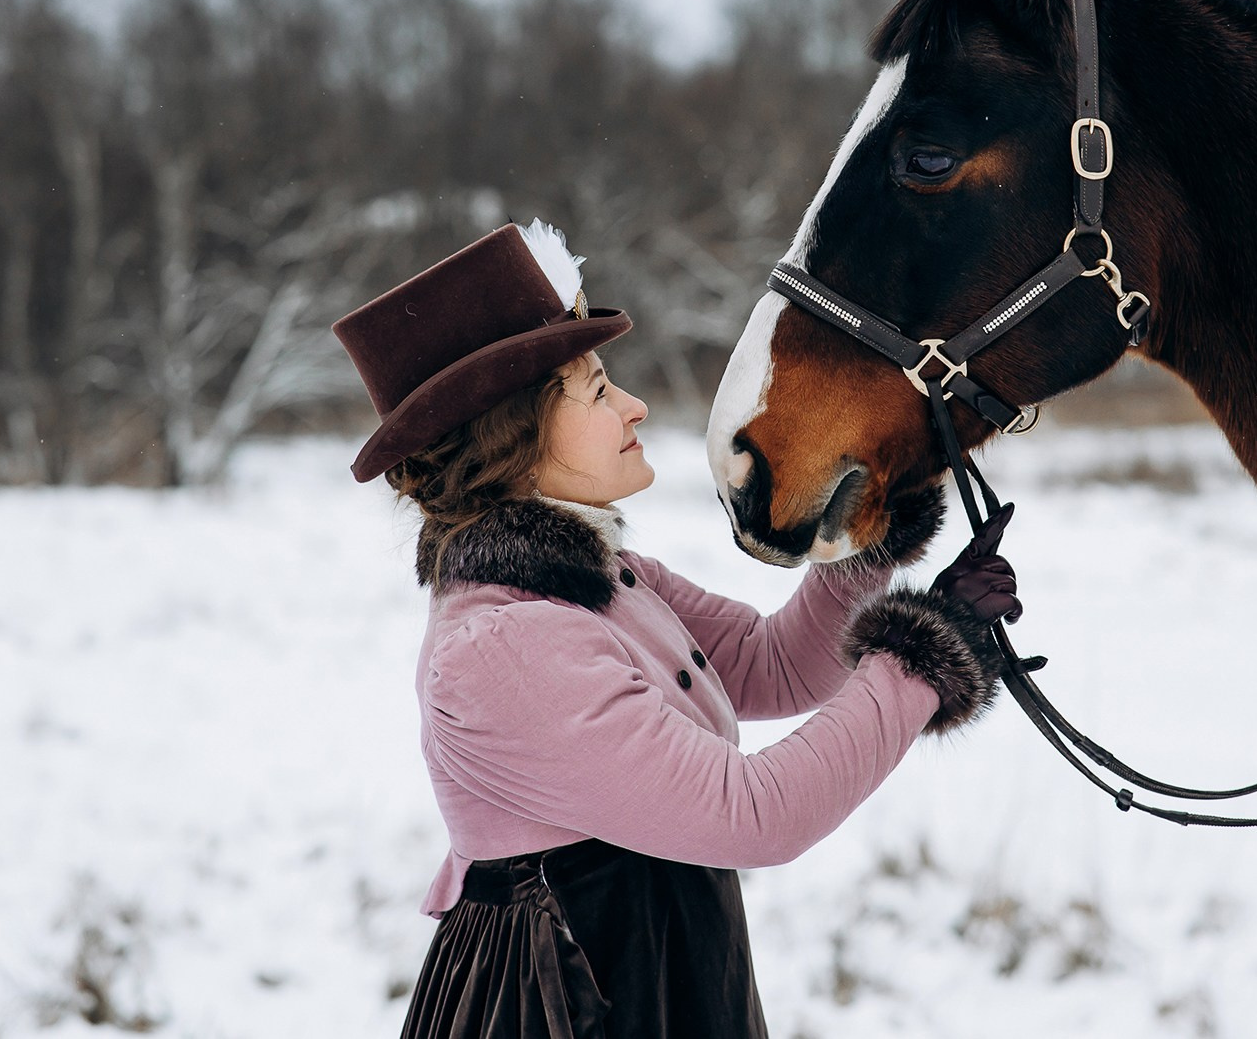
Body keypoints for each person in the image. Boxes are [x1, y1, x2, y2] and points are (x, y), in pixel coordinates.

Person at [332, 219, 1021, 1039]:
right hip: (569, 1002)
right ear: (510, 437)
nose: (634, 405)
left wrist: (867, 532)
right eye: (594, 390)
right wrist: (920, 658)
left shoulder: (599, 583)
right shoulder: (504, 648)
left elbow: (776, 667)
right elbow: (756, 814)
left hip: (665, 977)